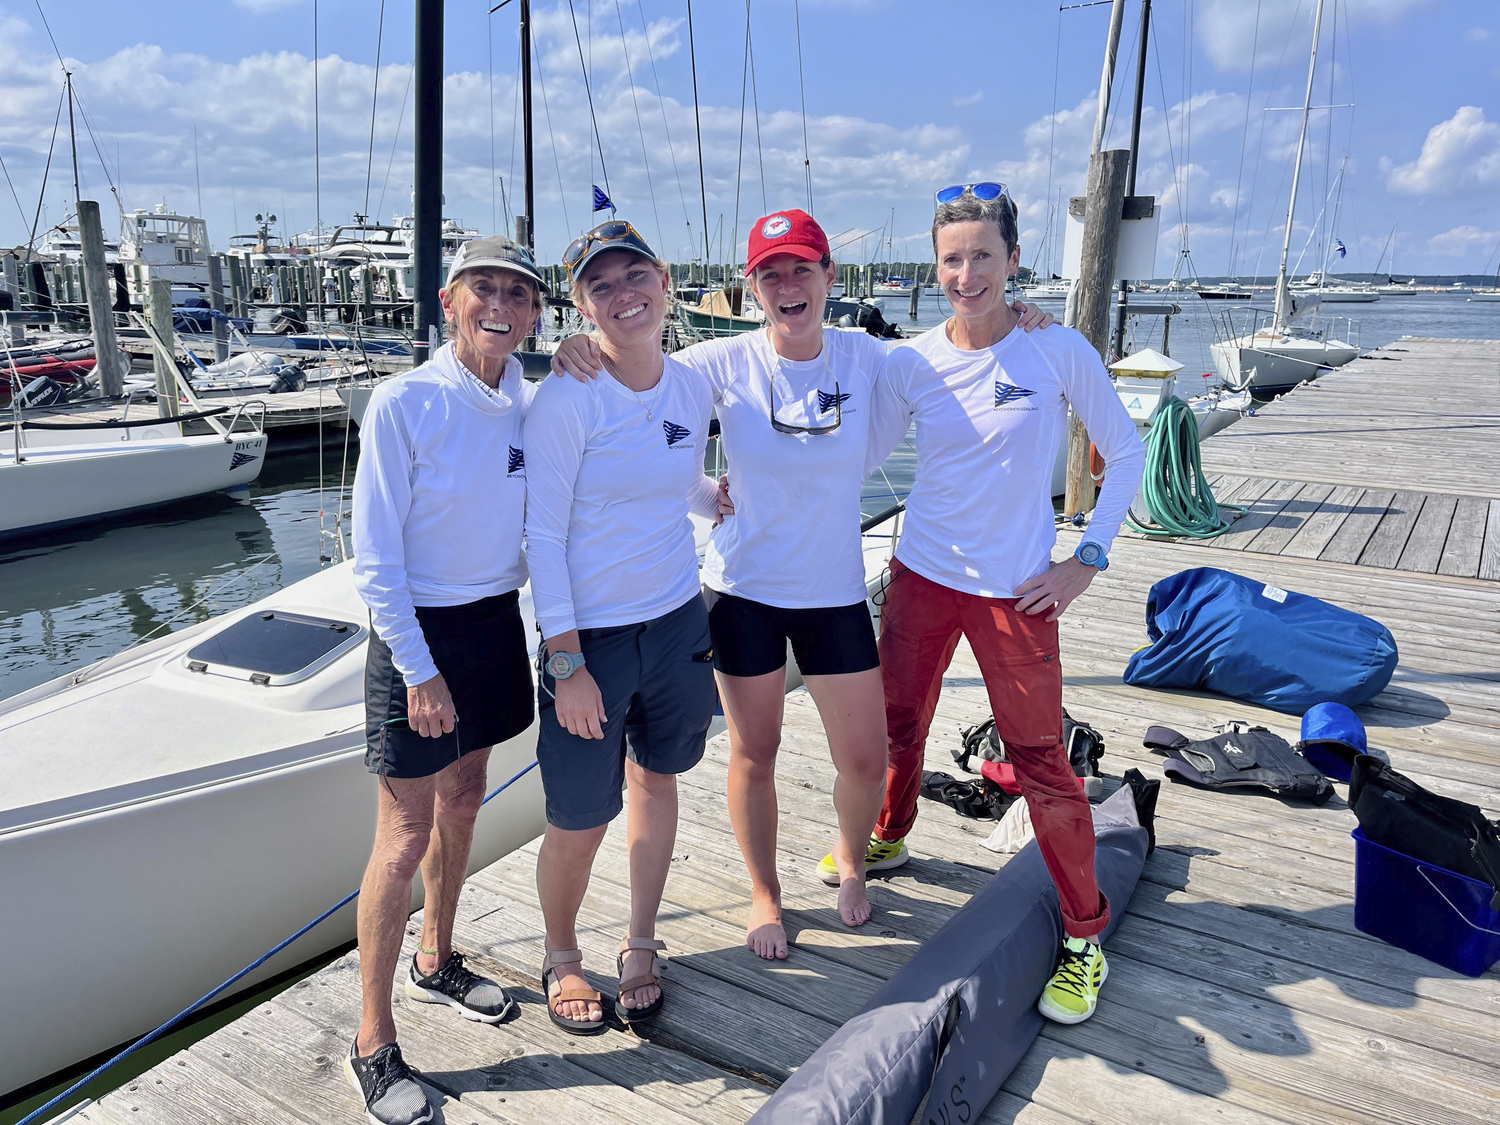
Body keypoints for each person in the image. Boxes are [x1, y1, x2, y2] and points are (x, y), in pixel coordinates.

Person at [551, 210, 1054, 960]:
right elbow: (637, 362)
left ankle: (852, 860)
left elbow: (961, 345)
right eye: (770, 273)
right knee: (757, 750)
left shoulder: (872, 358)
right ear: (752, 288)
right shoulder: (720, 362)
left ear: (829, 277)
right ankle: (764, 892)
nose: (788, 285)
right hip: (742, 591)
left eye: (802, 269)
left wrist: (1020, 319)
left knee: (866, 754)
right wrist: (577, 345)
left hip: (832, 594)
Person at [865, 183, 1145, 1025]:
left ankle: (1084, 935)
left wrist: (1085, 558)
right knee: (896, 726)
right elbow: (857, 454)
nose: (966, 272)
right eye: (951, 258)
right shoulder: (911, 360)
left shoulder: (1056, 349)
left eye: (983, 254)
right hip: (920, 577)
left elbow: (1124, 451)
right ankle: (890, 831)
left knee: (1041, 762)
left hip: (1018, 593)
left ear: (1014, 260)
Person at [349, 235, 548, 1125]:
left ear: (537, 310)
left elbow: (614, 462)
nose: (500, 304)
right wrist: (417, 668)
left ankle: (438, 952)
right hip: (417, 633)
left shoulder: (533, 404)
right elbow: (374, 558)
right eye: (484, 288)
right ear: (448, 299)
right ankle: (372, 1038)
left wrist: (709, 496)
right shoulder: (403, 403)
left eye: (518, 291)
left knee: (468, 792)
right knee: (403, 832)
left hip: (493, 622)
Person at [525, 221, 721, 1033]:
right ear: (580, 305)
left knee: (658, 778)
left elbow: (676, 479)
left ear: (665, 280)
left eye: (634, 275)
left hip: (677, 618)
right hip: (592, 638)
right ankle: (562, 953)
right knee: (580, 815)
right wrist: (567, 662)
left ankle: (642, 939)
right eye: (600, 286)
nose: (622, 294)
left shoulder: (692, 384)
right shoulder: (568, 394)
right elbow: (541, 531)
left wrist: (716, 498)